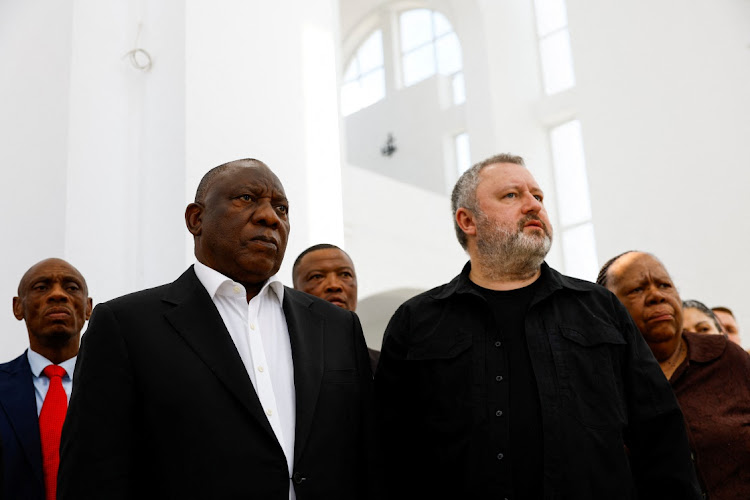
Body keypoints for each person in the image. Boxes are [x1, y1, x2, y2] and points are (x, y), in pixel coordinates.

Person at [375, 153, 701, 499]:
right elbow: (389, 453)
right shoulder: (417, 322)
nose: (533, 206)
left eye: (538, 196)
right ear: (467, 221)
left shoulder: (600, 308)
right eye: (512, 195)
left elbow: (660, 433)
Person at [58, 159, 378, 500]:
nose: (270, 217)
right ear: (196, 219)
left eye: (281, 208)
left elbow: (370, 458)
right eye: (246, 198)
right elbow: (93, 472)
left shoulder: (337, 326)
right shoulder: (126, 325)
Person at [598, 251, 750, 499]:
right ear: (607, 310)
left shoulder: (725, 357)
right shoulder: (600, 382)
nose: (657, 296)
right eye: (637, 289)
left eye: (664, 285)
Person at [0, 258, 92, 500]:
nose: (58, 295)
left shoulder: (121, 389)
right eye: (41, 287)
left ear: (88, 308)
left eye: (71, 287)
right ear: (18, 307)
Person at [292, 243, 380, 373]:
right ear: (295, 292)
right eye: (317, 276)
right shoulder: (281, 363)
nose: (334, 285)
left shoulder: (384, 367)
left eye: (345, 274)